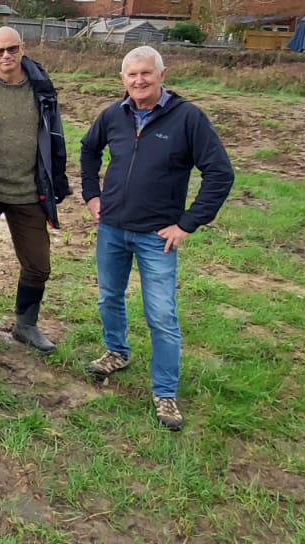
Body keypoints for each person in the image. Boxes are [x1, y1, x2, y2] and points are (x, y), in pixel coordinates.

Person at [80, 46, 234, 431]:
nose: (139, 81)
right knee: (109, 296)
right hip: (113, 227)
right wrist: (91, 194)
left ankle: (165, 392)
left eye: (146, 73)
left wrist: (187, 223)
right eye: (131, 75)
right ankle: (117, 351)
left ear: (162, 74)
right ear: (123, 79)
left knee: (162, 315)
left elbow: (220, 173)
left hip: (157, 237)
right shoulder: (114, 115)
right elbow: (88, 149)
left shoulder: (187, 119)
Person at [0, 25, 72, 354]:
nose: (6, 56)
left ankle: (26, 325)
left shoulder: (43, 89)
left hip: (29, 191)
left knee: (38, 264)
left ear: (23, 48)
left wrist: (58, 180)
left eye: (12, 49)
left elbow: (56, 138)